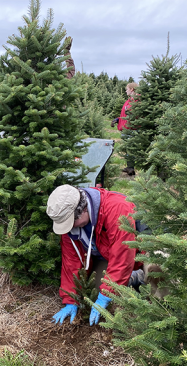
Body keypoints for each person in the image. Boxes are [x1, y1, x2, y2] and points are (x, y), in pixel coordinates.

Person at [46, 184, 145, 326]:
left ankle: (142, 276)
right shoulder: (71, 228)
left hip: (145, 252)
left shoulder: (116, 208)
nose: (70, 227)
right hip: (110, 258)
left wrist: (105, 296)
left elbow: (122, 256)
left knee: (156, 272)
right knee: (94, 290)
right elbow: (71, 262)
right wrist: (71, 300)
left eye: (71, 222)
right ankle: (134, 277)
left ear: (83, 209)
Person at [111, 82, 139, 175]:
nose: (126, 91)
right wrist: (117, 120)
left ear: (131, 89)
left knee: (130, 148)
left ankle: (131, 168)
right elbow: (124, 115)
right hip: (126, 129)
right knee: (127, 148)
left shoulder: (137, 101)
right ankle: (129, 167)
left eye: (127, 89)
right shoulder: (128, 101)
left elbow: (136, 115)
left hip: (132, 129)